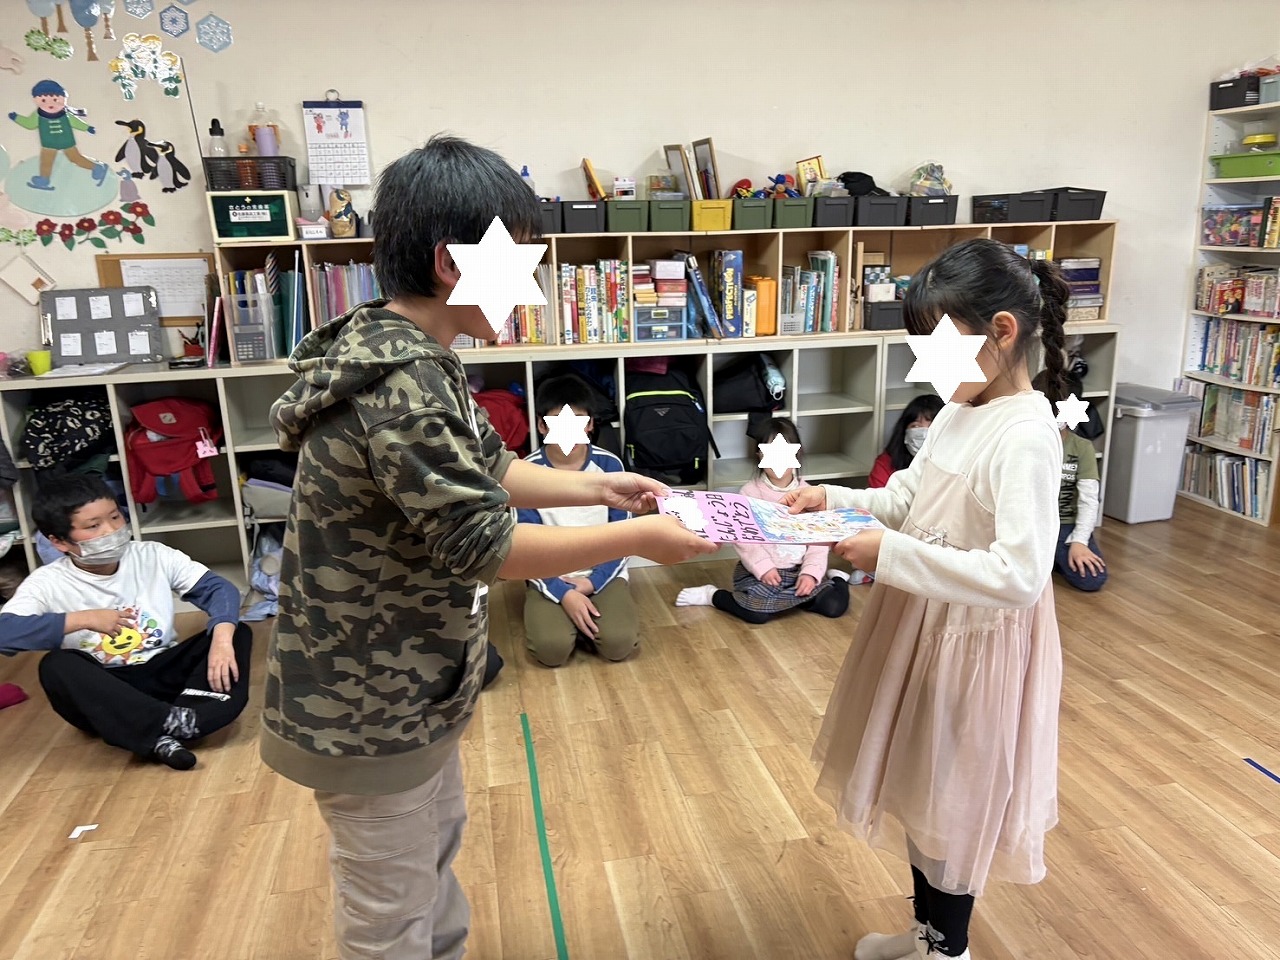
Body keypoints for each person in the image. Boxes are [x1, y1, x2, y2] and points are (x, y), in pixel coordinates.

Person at [259, 134, 715, 960]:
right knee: (390, 910)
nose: (531, 289)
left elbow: (492, 467)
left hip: (413, 683)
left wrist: (598, 490)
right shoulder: (403, 388)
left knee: (431, 857)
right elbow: (484, 543)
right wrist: (643, 537)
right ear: (449, 264)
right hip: (367, 704)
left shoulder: (421, 358)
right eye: (518, 264)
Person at [783, 238, 1068, 960]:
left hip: (977, 644)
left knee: (953, 800)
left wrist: (891, 554)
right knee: (917, 786)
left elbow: (1021, 575)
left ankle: (950, 949)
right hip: (920, 623)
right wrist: (832, 500)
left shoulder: (1027, 434)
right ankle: (928, 934)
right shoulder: (957, 409)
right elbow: (908, 498)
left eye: (938, 349)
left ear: (1002, 331)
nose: (928, 370)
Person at [0, 475, 250, 770]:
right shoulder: (47, 582)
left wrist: (221, 640)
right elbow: (5, 633)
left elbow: (219, 590)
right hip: (105, 692)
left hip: (161, 671)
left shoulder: (152, 555)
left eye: (115, 517)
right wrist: (83, 619)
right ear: (59, 542)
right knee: (56, 665)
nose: (112, 530)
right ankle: (175, 725)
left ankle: (167, 728)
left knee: (235, 632)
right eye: (93, 526)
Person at [675, 417, 850, 624]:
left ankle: (837, 578)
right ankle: (713, 596)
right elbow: (744, 539)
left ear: (797, 453)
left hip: (800, 570)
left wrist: (811, 574)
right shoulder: (749, 493)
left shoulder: (810, 493)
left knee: (833, 606)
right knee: (755, 613)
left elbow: (818, 542)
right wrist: (764, 567)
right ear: (759, 455)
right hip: (763, 572)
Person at [518, 375, 637, 667]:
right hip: (548, 572)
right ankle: (570, 619)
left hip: (602, 571)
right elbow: (524, 548)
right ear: (542, 426)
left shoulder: (610, 466)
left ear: (590, 425)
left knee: (619, 645)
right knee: (551, 651)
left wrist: (591, 583)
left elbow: (624, 537)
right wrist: (564, 594)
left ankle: (586, 621)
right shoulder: (526, 472)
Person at [1032, 372, 1107, 591]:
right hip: (1033, 523)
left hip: (1065, 525)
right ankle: (1051, 558)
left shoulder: (1082, 447)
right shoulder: (1027, 442)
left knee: (1092, 578)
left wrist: (1079, 541)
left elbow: (1089, 499)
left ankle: (1054, 557)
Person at [8, 79, 109, 190]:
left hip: (66, 141)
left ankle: (97, 168)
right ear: (36, 100)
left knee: (75, 158)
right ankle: (44, 179)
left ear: (63, 98)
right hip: (49, 143)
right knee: (46, 161)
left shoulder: (65, 114)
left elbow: (75, 122)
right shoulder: (38, 115)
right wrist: (16, 118)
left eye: (55, 99)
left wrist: (87, 128)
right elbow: (30, 124)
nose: (50, 104)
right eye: (43, 100)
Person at [870, 394, 944, 488]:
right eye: (916, 426)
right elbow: (880, 494)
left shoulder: (958, 466)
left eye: (932, 426)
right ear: (904, 432)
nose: (924, 434)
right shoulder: (886, 464)